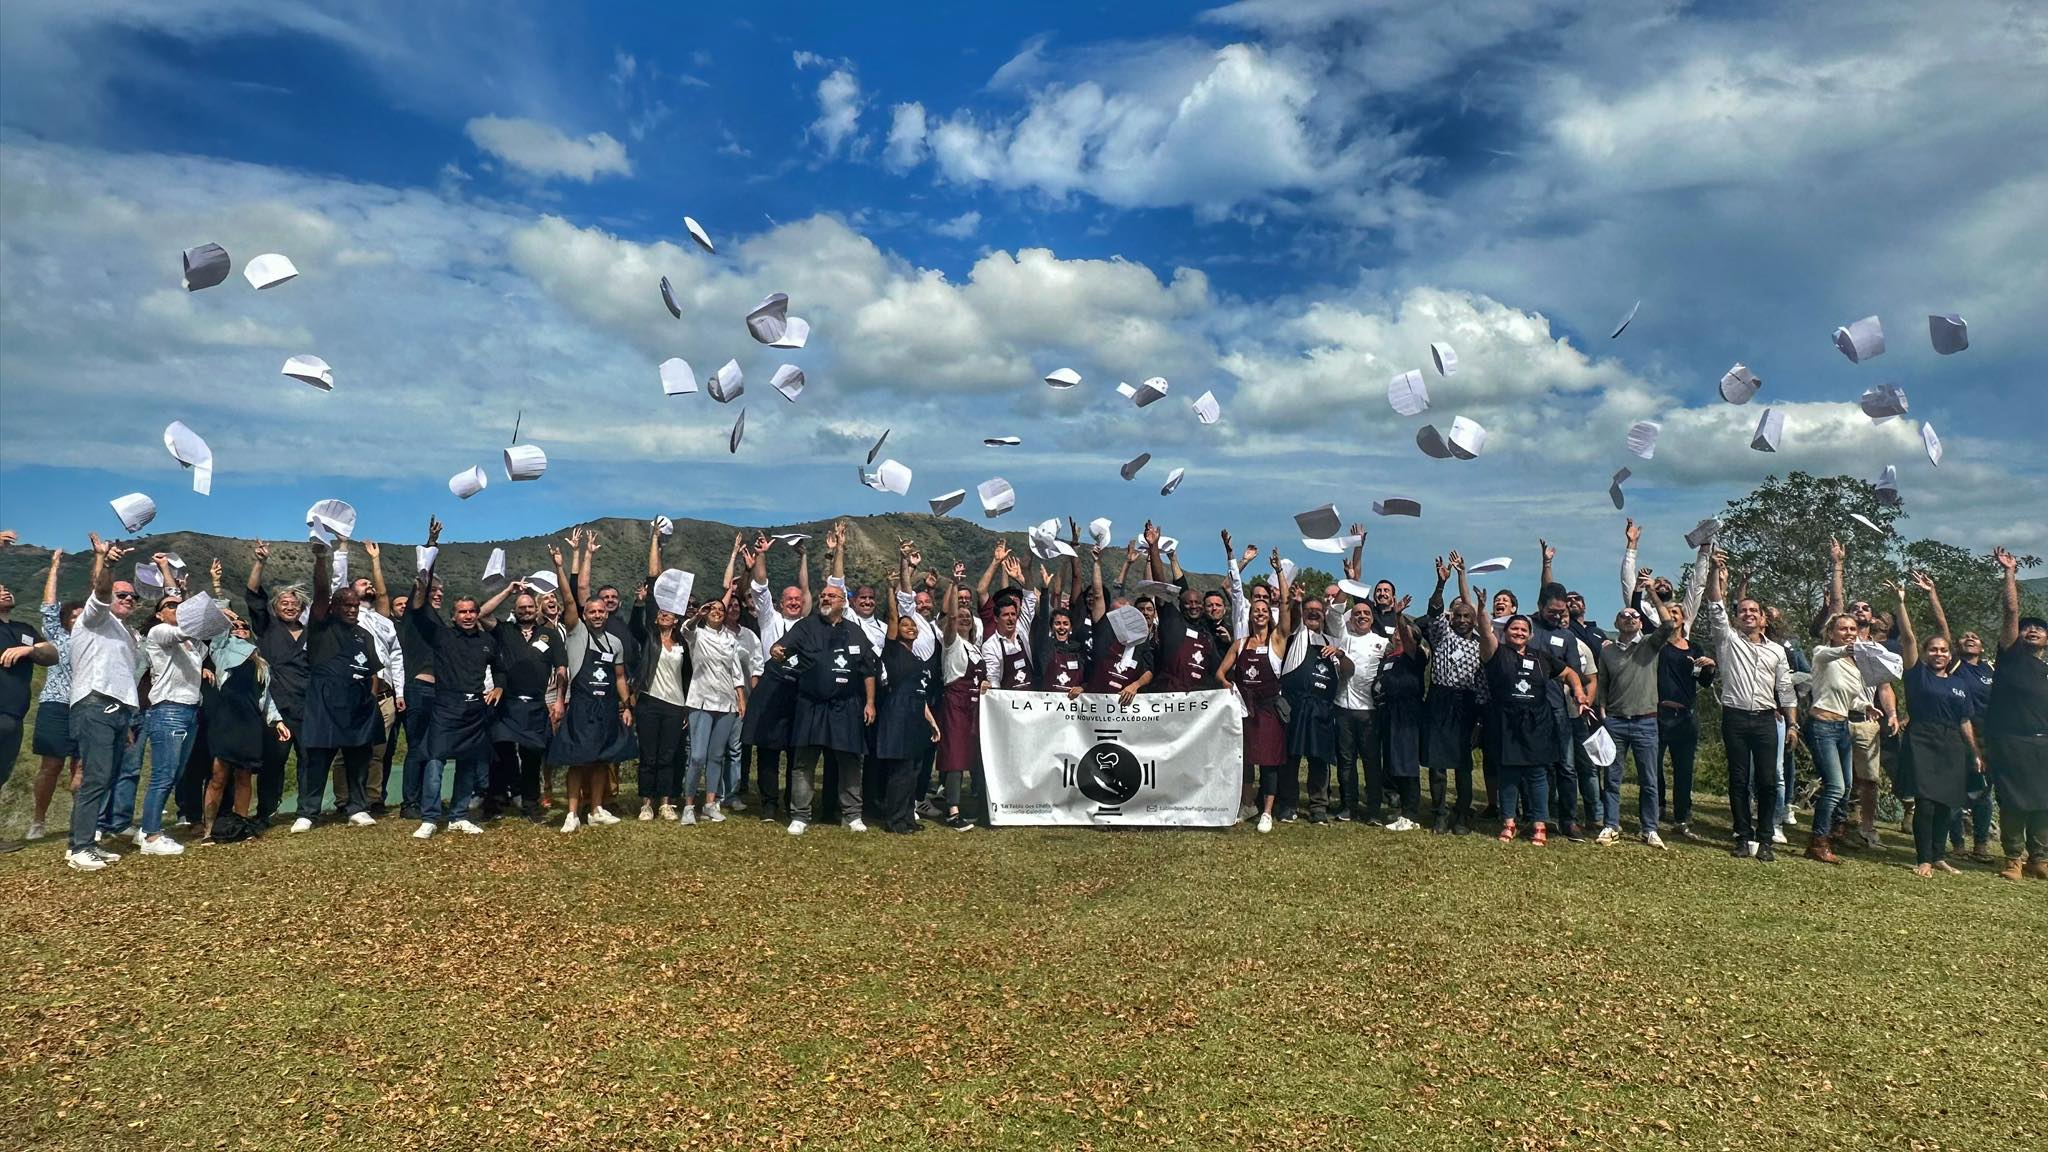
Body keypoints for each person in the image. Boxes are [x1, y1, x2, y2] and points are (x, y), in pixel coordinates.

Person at [408, 521, 505, 838]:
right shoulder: (441, 636)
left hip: (474, 709)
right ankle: (429, 817)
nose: (466, 615)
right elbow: (419, 604)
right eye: (461, 611)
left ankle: (459, 815)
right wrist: (431, 545)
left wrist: (500, 686)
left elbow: (500, 667)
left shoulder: (487, 641)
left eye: (471, 611)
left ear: (477, 614)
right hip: (445, 708)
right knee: (435, 761)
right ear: (452, 616)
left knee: (468, 761)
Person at [1705, 550, 1799, 861]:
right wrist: (1715, 573)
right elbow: (1716, 606)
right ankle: (1743, 836)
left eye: (1754, 610)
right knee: (1738, 778)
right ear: (1737, 617)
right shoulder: (1729, 640)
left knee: (1768, 780)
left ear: (1763, 618)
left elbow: (1785, 689)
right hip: (1735, 717)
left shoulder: (1776, 651)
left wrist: (1793, 724)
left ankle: (1766, 839)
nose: (1748, 613)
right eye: (1743, 610)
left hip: (1765, 721)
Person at [1476, 589, 1588, 846]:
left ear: (1530, 634)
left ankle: (1539, 823)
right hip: (1506, 722)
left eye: (1523, 630)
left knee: (1538, 775)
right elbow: (1484, 631)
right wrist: (1482, 608)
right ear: (1505, 633)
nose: (1518, 632)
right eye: (1514, 629)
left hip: (1538, 722)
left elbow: (1570, 672)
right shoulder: (1497, 654)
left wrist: (1578, 691)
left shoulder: (1541, 658)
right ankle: (1509, 822)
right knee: (1509, 774)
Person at [292, 539, 385, 834]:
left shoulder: (364, 635)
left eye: (355, 606)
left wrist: (369, 698)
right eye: (346, 605)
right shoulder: (321, 625)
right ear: (333, 608)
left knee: (359, 758)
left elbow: (372, 671)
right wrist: (321, 559)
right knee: (317, 759)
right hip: (324, 702)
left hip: (358, 705)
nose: (352, 610)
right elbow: (321, 592)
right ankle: (308, 811)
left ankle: (357, 807)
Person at [1890, 576, 1981, 877]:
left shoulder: (1959, 684)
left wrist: (1975, 753)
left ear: (1949, 654)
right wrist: (1901, 603)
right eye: (1934, 650)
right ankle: (1924, 859)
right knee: (1926, 802)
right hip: (1922, 739)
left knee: (1947, 804)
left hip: (1952, 743)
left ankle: (1940, 856)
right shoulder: (1917, 675)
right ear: (1926, 654)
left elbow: (1965, 720)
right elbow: (1909, 638)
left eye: (1943, 650)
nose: (1939, 653)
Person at [63, 534, 142, 872]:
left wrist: (125, 720)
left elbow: (123, 677)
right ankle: (80, 847)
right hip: (94, 704)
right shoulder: (94, 618)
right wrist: (108, 563)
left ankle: (84, 843)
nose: (127, 599)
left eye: (133, 597)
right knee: (95, 778)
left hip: (117, 709)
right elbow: (101, 591)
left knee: (105, 778)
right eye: (122, 594)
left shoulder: (126, 633)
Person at [547, 532, 631, 832]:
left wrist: (626, 704)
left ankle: (596, 809)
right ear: (584, 614)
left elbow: (619, 677)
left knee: (601, 759)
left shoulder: (614, 643)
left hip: (606, 706)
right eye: (591, 611)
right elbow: (570, 595)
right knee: (578, 760)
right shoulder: (577, 631)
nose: (597, 614)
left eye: (601, 611)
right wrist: (559, 565)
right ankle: (572, 813)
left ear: (607, 613)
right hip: (581, 706)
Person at [779, 582, 877, 835]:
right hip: (811, 705)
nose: (825, 599)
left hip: (846, 707)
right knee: (804, 763)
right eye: (822, 595)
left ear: (843, 602)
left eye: (831, 596)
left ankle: (853, 816)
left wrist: (870, 703)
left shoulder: (855, 632)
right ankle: (800, 816)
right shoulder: (805, 626)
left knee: (850, 762)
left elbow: (868, 670)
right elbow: (780, 648)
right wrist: (776, 650)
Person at [1594, 562, 1674, 847]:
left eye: (1633, 615)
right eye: (1623, 615)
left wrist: (1651, 591)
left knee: (1649, 780)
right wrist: (1601, 705)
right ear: (1616, 624)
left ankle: (1649, 828)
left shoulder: (1650, 645)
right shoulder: (1607, 651)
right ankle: (1611, 825)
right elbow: (1602, 683)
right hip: (1615, 720)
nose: (1629, 617)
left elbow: (1669, 624)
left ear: (1640, 622)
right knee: (1612, 777)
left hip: (1645, 721)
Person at [197, 609, 290, 843]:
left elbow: (265, 697)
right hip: (226, 718)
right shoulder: (221, 651)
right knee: (218, 775)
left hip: (250, 722)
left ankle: (240, 826)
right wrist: (223, 613)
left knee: (244, 776)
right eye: (234, 626)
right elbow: (214, 630)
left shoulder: (261, 663)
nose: (239, 628)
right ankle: (208, 830)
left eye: (243, 626)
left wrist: (277, 720)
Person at [135, 553, 206, 855]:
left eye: (178, 606)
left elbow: (198, 636)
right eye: (169, 606)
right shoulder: (160, 632)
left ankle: (146, 827)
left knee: (174, 774)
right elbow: (187, 625)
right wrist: (166, 571)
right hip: (169, 710)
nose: (174, 609)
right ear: (160, 614)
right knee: (164, 774)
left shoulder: (191, 644)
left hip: (189, 710)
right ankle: (152, 836)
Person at [478, 580, 565, 822]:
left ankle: (530, 806)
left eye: (529, 607)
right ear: (515, 610)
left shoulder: (550, 634)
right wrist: (508, 591)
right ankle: (494, 802)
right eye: (521, 608)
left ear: (536, 610)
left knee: (532, 756)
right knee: (499, 751)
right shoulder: (505, 630)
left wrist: (558, 701)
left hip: (536, 704)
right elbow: (482, 613)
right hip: (507, 702)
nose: (526, 611)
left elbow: (561, 669)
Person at [1925, 580, 1997, 858]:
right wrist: (1933, 593)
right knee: (1955, 790)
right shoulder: (1955, 665)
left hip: (1987, 737)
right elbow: (1942, 629)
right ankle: (1956, 844)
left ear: (1981, 647)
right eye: (1964, 636)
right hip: (1957, 733)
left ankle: (1981, 845)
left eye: (1975, 637)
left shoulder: (1991, 671)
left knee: (1983, 793)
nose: (1969, 638)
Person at [1986, 548, 2046, 880]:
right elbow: (2011, 611)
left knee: (2044, 802)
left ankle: (2040, 859)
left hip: (2044, 744)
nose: (2032, 630)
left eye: (2039, 628)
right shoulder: (2011, 657)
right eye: (2027, 628)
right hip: (2011, 741)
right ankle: (2013, 859)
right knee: (2013, 800)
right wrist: (2010, 573)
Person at [741, 533, 810, 821]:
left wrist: (803, 558)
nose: (794, 603)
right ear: (780, 603)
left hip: (798, 691)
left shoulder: (808, 625)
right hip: (771, 690)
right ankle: (769, 805)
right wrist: (761, 554)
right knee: (768, 752)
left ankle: (792, 803)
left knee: (796, 753)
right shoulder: (769, 618)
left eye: (797, 600)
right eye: (789, 599)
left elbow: (807, 590)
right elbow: (760, 587)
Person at [0, 544, 61, 852]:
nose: (4, 590)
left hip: (13, 714)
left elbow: (52, 654)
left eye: (6, 588)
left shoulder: (24, 628)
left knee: (1, 773)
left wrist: (29, 649)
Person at [244, 541, 309, 826]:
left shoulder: (312, 634)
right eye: (284, 603)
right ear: (275, 608)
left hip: (308, 708)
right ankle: (266, 811)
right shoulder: (267, 627)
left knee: (310, 761)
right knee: (273, 763)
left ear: (302, 607)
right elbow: (253, 596)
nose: (290, 607)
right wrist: (260, 562)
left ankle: (307, 811)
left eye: (294, 604)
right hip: (277, 708)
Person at [1227, 553, 1290, 832]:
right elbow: (1221, 672)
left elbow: (1286, 606)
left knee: (1270, 761)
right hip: (1246, 709)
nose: (1260, 613)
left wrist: (1279, 573)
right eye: (1256, 610)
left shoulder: (1278, 640)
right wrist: (1229, 686)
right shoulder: (1242, 642)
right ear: (1250, 615)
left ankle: (1267, 812)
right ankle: (1248, 804)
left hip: (1269, 709)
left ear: (1269, 614)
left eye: (1264, 610)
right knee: (1247, 759)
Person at [24, 548, 83, 843]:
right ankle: (38, 819)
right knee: (51, 765)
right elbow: (48, 605)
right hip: (56, 704)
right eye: (73, 615)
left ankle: (79, 820)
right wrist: (55, 565)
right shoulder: (58, 635)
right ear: (65, 620)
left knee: (80, 765)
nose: (78, 618)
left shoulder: (95, 640)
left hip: (85, 707)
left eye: (82, 615)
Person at [633, 524, 691, 821]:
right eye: (660, 611)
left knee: (670, 754)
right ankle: (646, 802)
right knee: (649, 755)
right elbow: (654, 582)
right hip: (648, 702)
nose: (664, 613)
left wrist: (686, 707)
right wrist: (655, 539)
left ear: (677, 617)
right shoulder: (650, 638)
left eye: (670, 612)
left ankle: (666, 802)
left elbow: (689, 676)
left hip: (675, 704)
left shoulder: (684, 643)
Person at [1422, 554, 1480, 834]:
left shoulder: (1482, 644)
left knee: (1463, 763)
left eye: (1467, 616)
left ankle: (1461, 816)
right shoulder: (1442, 635)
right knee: (1437, 763)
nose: (1462, 620)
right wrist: (1441, 585)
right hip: (1439, 699)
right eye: (1457, 615)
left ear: (1474, 620)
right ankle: (1440, 813)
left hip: (1466, 702)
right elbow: (1434, 611)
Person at [681, 590, 747, 826]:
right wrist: (696, 616)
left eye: (721, 610)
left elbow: (736, 671)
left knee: (716, 756)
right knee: (697, 756)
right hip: (701, 700)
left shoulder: (730, 638)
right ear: (706, 613)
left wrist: (741, 698)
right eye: (713, 609)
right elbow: (684, 630)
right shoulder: (696, 634)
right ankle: (689, 805)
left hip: (726, 702)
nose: (717, 613)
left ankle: (710, 803)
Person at [873, 612, 942, 833]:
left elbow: (920, 695)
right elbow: (893, 618)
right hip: (898, 716)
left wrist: (932, 722)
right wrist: (893, 589)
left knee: (914, 771)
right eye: (905, 624)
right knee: (900, 772)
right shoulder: (893, 652)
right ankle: (895, 820)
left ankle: (908, 817)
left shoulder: (918, 660)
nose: (910, 627)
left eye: (913, 625)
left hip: (916, 717)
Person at [1656, 597, 1716, 843]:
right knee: (1653, 765)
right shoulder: (1656, 646)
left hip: (1686, 717)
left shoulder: (1695, 648)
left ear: (1684, 619)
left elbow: (1704, 682)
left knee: (1684, 770)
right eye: (1668, 612)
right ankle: (1657, 807)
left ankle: (1682, 816)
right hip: (1659, 714)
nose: (1673, 615)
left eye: (1677, 612)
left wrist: (1710, 666)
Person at [934, 566, 983, 833]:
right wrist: (955, 583)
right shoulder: (951, 642)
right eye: (961, 616)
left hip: (973, 706)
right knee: (954, 757)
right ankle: (952, 811)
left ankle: (971, 803)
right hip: (954, 704)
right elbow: (951, 617)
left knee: (970, 755)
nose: (964, 619)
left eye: (968, 617)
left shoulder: (975, 647)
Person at [1331, 596, 1387, 824]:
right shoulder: (1343, 637)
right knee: (1346, 761)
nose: (1361, 616)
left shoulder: (1382, 642)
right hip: (1343, 708)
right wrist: (1346, 586)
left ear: (1372, 619)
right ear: (1351, 618)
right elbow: (1334, 613)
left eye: (1366, 613)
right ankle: (1348, 806)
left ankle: (1374, 809)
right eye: (1357, 613)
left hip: (1370, 711)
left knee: (1372, 762)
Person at [1372, 594, 1425, 832]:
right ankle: (1402, 808)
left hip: (1408, 716)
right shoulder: (1389, 659)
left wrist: (1399, 616)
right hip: (1388, 715)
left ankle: (1411, 814)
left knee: (1407, 764)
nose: (1397, 635)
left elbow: (1409, 639)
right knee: (1394, 763)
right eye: (1395, 633)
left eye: (1402, 633)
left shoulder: (1415, 657)